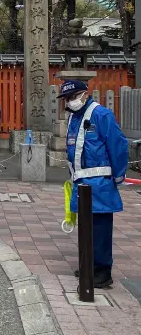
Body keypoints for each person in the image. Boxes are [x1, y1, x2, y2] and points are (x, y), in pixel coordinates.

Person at [59, 80, 128, 289]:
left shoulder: (102, 115)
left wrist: (118, 177)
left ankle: (102, 271)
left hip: (101, 182)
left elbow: (118, 146)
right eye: (67, 99)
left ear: (84, 94)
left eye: (72, 97)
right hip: (82, 184)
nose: (70, 102)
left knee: (100, 229)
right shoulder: (73, 117)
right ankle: (89, 265)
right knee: (86, 228)